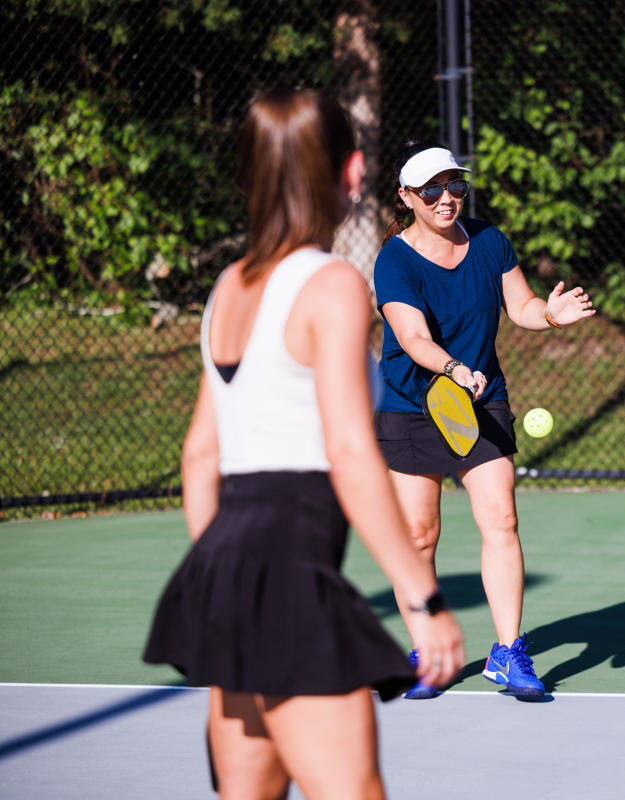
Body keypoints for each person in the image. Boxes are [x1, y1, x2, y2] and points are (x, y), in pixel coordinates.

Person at [143, 89, 465, 799]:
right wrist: (422, 602)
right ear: (350, 174)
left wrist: (223, 570)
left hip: (222, 567)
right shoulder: (333, 285)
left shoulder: (229, 286)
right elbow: (351, 455)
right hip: (291, 572)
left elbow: (200, 457)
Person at [372, 140, 595, 699]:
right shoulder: (394, 259)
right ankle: (426, 652)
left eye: (455, 186)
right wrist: (451, 367)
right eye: (432, 190)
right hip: (412, 405)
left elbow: (519, 308)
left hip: (481, 399)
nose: (447, 198)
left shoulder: (490, 241)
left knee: (501, 519)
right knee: (419, 537)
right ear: (407, 197)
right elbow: (412, 337)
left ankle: (508, 652)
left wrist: (550, 314)